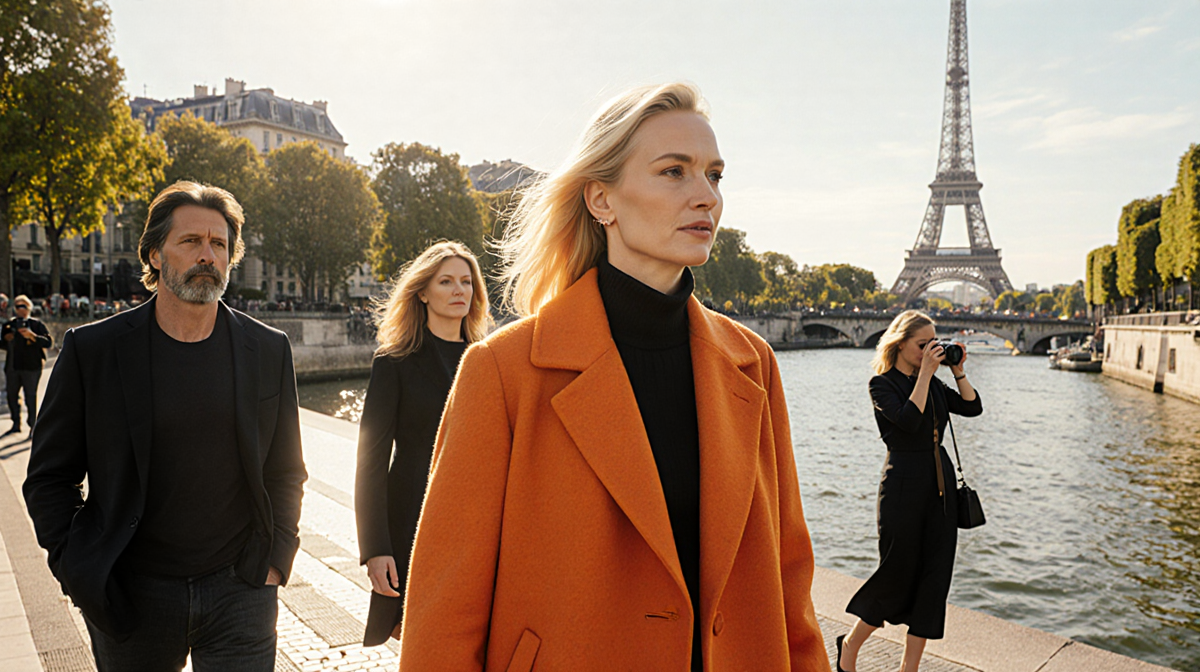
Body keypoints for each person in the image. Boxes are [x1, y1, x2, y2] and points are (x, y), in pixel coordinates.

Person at [399, 83, 828, 671]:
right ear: (602, 200)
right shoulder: (503, 372)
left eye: (715, 175)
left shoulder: (754, 363)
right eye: (674, 171)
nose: (705, 196)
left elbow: (788, 580)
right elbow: (443, 617)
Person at [23, 181, 307, 671]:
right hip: (133, 591)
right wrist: (79, 568)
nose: (207, 256)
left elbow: (286, 468)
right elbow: (49, 477)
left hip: (240, 589)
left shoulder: (267, 348)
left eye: (219, 244)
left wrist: (276, 557)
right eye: (190, 241)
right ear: (155, 254)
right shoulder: (94, 351)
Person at [354, 240, 490, 646]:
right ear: (423, 293)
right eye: (446, 281)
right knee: (423, 641)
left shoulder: (489, 359)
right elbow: (370, 462)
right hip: (413, 518)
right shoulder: (394, 361)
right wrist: (375, 549)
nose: (459, 290)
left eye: (466, 281)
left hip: (479, 521)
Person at [837, 310, 982, 672]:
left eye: (934, 343)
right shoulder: (881, 384)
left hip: (940, 486)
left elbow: (972, 407)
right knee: (896, 573)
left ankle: (909, 669)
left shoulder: (932, 382)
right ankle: (850, 647)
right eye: (923, 344)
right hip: (902, 485)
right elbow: (908, 421)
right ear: (900, 344)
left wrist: (957, 370)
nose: (930, 350)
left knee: (935, 578)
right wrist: (928, 375)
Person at [3, 294, 51, 434]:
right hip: (13, 366)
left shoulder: (36, 325)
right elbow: (2, 344)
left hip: (32, 367)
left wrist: (32, 336)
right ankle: (16, 423)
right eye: (17, 306)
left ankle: (33, 425)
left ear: (29, 307)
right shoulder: (9, 325)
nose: (20, 309)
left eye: (23, 306)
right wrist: (7, 338)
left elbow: (48, 342)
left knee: (30, 396)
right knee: (11, 395)